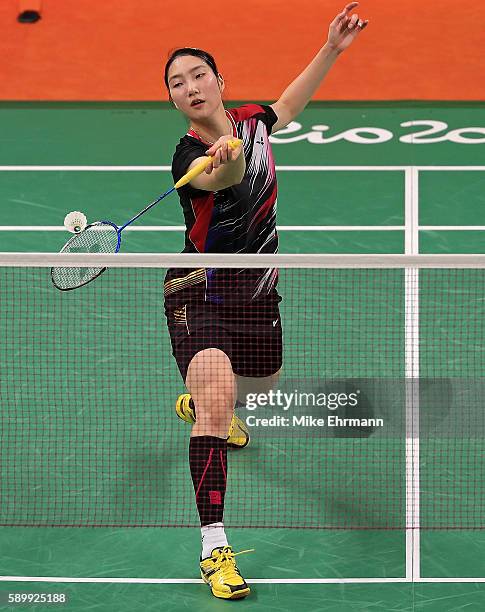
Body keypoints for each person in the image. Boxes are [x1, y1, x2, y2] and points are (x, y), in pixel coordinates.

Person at [163, 2, 368, 600]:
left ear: (218, 82)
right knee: (217, 398)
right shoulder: (186, 155)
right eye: (177, 83)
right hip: (199, 285)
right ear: (174, 101)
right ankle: (214, 548)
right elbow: (217, 181)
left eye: (198, 74)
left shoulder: (251, 119)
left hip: (256, 289)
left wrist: (331, 48)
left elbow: (285, 108)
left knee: (265, 386)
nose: (190, 87)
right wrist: (221, 163)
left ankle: (211, 398)